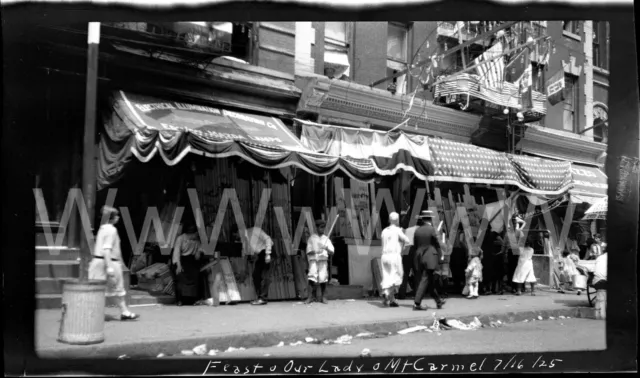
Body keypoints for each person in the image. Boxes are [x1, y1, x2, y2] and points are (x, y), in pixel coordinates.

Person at [89, 206, 139, 320]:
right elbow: (107, 249)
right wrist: (110, 267)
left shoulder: (102, 229)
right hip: (108, 261)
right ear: (111, 218)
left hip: (98, 261)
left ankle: (124, 311)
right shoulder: (111, 230)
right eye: (116, 215)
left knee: (99, 288)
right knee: (116, 288)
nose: (118, 217)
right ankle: (123, 311)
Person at [412, 210, 446, 311]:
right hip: (430, 257)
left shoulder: (417, 230)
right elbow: (438, 243)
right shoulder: (432, 229)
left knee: (429, 281)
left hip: (419, 257)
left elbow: (415, 245)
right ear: (431, 219)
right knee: (426, 279)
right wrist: (442, 254)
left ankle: (438, 301)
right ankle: (417, 303)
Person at [380, 212, 411, 307]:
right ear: (397, 220)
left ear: (389, 220)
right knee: (397, 277)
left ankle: (391, 299)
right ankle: (386, 292)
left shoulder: (384, 231)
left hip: (384, 256)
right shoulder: (397, 230)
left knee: (387, 276)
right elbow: (407, 240)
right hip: (394, 256)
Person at [172, 223, 205, 306]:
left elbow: (201, 247)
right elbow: (176, 252)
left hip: (192, 262)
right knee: (180, 278)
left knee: (197, 277)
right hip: (182, 261)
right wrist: (178, 265)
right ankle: (180, 300)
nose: (197, 235)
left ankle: (193, 300)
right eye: (196, 234)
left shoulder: (196, 240)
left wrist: (199, 251)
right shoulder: (181, 239)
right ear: (191, 233)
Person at [241, 225, 274, 305]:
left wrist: (268, 253)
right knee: (256, 275)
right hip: (260, 255)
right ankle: (259, 297)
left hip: (267, 252)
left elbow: (268, 239)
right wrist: (244, 268)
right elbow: (245, 254)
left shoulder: (255, 230)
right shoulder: (244, 239)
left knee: (265, 275)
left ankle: (263, 298)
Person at [305, 219, 335, 304]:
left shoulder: (326, 239)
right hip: (314, 260)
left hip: (323, 260)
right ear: (317, 228)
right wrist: (316, 250)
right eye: (321, 227)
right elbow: (308, 251)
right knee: (312, 277)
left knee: (323, 278)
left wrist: (326, 248)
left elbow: (332, 251)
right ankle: (310, 297)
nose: (322, 229)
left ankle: (323, 297)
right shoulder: (312, 238)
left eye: (323, 228)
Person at [398, 217, 423, 299]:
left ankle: (401, 295)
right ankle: (417, 295)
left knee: (404, 274)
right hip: (415, 250)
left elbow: (402, 242)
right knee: (417, 274)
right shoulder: (420, 229)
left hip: (406, 250)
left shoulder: (407, 229)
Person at [512, 220, 537, 296]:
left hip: (521, 264)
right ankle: (532, 291)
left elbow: (518, 246)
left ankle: (519, 291)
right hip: (529, 264)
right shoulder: (531, 249)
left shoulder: (520, 249)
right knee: (531, 276)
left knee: (519, 276)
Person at [449, 225, 468, 292]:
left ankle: (456, 286)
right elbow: (461, 240)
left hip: (453, 251)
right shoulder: (462, 232)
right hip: (460, 251)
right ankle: (460, 287)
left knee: (454, 269)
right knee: (461, 269)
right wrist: (467, 249)